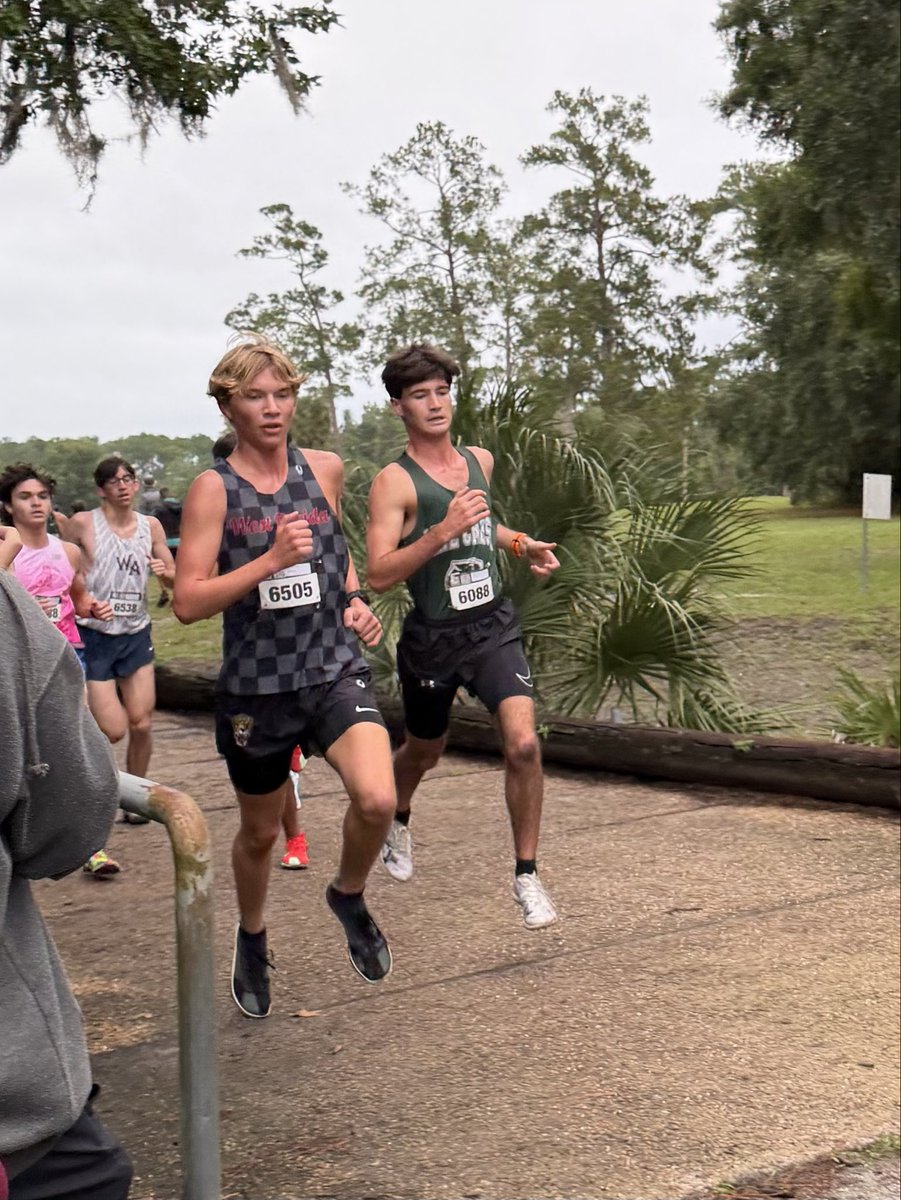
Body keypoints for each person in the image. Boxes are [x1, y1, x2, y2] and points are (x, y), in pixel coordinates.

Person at [173, 337, 395, 1018]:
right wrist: (267, 561)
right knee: (262, 835)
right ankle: (252, 934)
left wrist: (357, 602)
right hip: (257, 689)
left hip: (331, 668)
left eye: (282, 394)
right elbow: (187, 602)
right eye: (254, 397)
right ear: (227, 406)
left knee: (377, 800)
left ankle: (348, 894)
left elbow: (337, 554)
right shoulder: (214, 490)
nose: (272, 409)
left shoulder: (324, 469)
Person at [366, 343, 560, 929]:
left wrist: (521, 544)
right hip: (432, 638)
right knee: (425, 749)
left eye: (442, 392)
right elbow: (377, 573)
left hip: (492, 627)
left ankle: (526, 874)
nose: (435, 404)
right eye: (420, 395)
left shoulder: (480, 459)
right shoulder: (394, 483)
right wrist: (439, 530)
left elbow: (486, 524)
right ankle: (397, 816)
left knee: (523, 744)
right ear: (398, 406)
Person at [0, 569, 132, 1198]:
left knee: (138, 721)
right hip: (16, 1124)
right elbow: (66, 823)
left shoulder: (70, 546)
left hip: (110, 641)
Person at [0, 463, 120, 876]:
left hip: (68, 657)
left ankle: (92, 847)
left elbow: (78, 599)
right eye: (25, 497)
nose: (36, 503)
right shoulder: (6, 554)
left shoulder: (66, 551)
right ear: (7, 507)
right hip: (22, 665)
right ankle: (25, 842)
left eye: (42, 496)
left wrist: (93, 608)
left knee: (83, 746)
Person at [212, 428, 309, 871]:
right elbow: (197, 593)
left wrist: (354, 600)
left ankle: (298, 838)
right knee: (263, 812)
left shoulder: (304, 493)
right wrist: (268, 560)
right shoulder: (217, 507)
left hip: (313, 659)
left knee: (367, 789)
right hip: (255, 668)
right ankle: (288, 837)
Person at [67, 457, 176, 817]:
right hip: (95, 636)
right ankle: (95, 788)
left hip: (135, 632)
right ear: (101, 490)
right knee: (113, 731)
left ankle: (136, 801)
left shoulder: (152, 526)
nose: (124, 486)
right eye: (114, 482)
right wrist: (82, 595)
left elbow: (174, 577)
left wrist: (166, 574)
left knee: (142, 723)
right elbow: (62, 569)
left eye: (128, 479)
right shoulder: (84, 524)